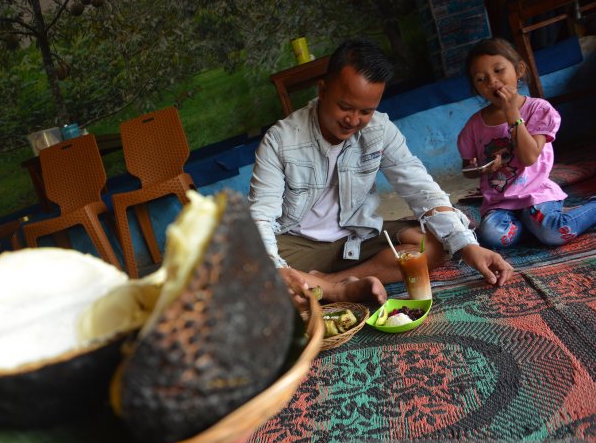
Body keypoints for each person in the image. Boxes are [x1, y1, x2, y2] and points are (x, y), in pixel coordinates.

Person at [249, 38, 513, 302]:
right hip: (297, 244)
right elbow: (261, 217)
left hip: (356, 234)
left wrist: (468, 246)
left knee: (433, 245)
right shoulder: (281, 140)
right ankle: (338, 290)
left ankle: (323, 283)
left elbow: (422, 190)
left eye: (365, 111)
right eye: (344, 107)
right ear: (322, 89)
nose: (353, 120)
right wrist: (276, 267)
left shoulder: (380, 130)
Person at [458, 37, 596, 248]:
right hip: (500, 203)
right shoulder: (473, 126)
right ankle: (535, 226)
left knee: (555, 233)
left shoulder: (538, 110)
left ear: (519, 69)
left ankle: (566, 217)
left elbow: (530, 157)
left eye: (498, 70)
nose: (492, 81)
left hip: (536, 195)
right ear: (476, 88)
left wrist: (511, 113)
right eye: (480, 79)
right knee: (491, 235)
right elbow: (467, 169)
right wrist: (481, 168)